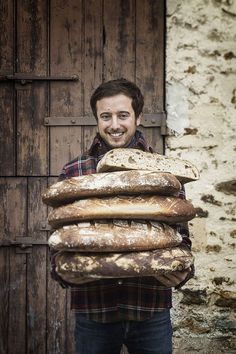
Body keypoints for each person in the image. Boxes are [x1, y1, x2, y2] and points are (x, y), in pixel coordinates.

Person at [50, 78, 194, 354]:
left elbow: (181, 239)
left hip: (150, 310)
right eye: (106, 116)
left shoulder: (165, 174)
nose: (114, 124)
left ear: (138, 117)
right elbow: (60, 241)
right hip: (94, 311)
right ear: (97, 119)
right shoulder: (74, 173)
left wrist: (183, 273)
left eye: (123, 115)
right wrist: (63, 273)